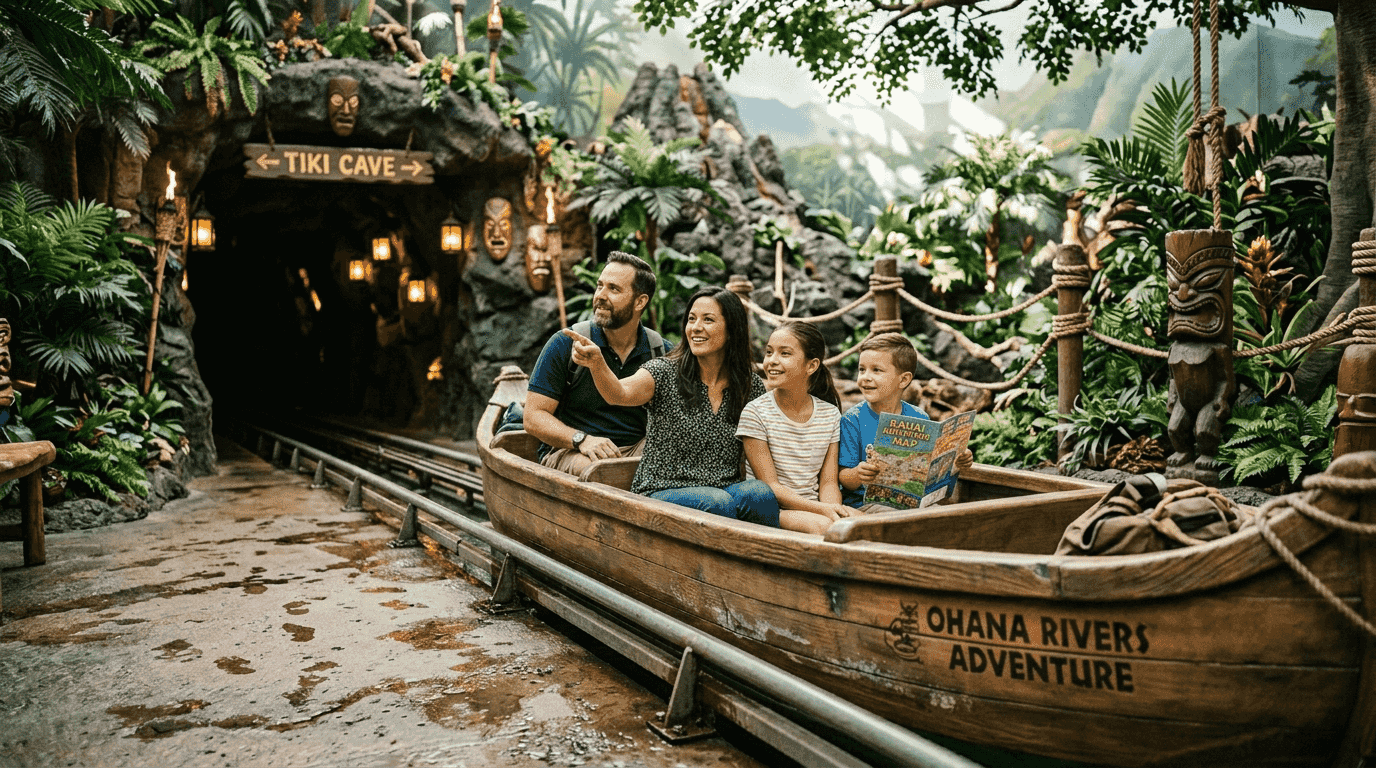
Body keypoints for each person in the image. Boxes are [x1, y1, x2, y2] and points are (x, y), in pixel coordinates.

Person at [564, 287, 779, 525]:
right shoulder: (663, 372)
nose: (696, 327)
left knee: (759, 494)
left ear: (732, 330)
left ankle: (763, 550)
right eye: (691, 319)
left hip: (723, 489)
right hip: (661, 490)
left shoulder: (749, 385)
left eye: (708, 320)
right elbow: (619, 393)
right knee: (717, 503)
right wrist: (597, 364)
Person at [524, 251, 669, 476]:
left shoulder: (660, 352)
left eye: (614, 289)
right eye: (600, 286)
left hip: (636, 450)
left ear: (640, 301)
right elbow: (533, 417)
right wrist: (581, 440)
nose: (600, 295)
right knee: (600, 473)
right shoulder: (565, 343)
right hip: (573, 451)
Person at [737, 321, 849, 535]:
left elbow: (828, 483)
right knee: (825, 528)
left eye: (785, 353)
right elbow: (771, 486)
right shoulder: (755, 412)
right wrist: (823, 511)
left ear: (811, 366)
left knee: (866, 524)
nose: (772, 361)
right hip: (775, 509)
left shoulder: (830, 414)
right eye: (769, 352)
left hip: (816, 507)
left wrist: (834, 510)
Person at [839, 332, 971, 513]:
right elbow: (843, 477)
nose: (865, 377)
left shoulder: (919, 417)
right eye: (862, 369)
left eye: (876, 370)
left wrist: (957, 459)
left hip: (911, 501)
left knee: (945, 513)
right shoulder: (852, 420)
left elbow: (928, 468)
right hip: (865, 504)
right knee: (900, 514)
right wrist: (858, 474)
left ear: (903, 380)